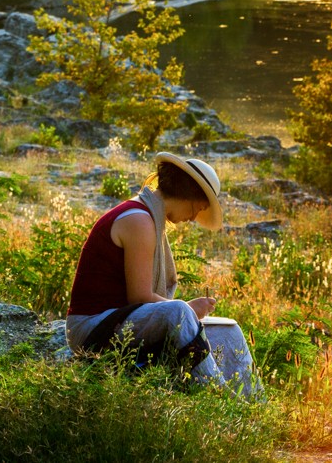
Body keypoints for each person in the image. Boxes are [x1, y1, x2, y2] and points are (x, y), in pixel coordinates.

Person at [66, 152, 257, 398]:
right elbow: (139, 296)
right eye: (198, 208)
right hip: (90, 327)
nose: (193, 218)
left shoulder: (149, 217)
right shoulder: (139, 220)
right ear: (188, 194)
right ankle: (219, 398)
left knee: (228, 330)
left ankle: (253, 404)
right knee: (178, 311)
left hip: (118, 320)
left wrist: (188, 312)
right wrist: (187, 309)